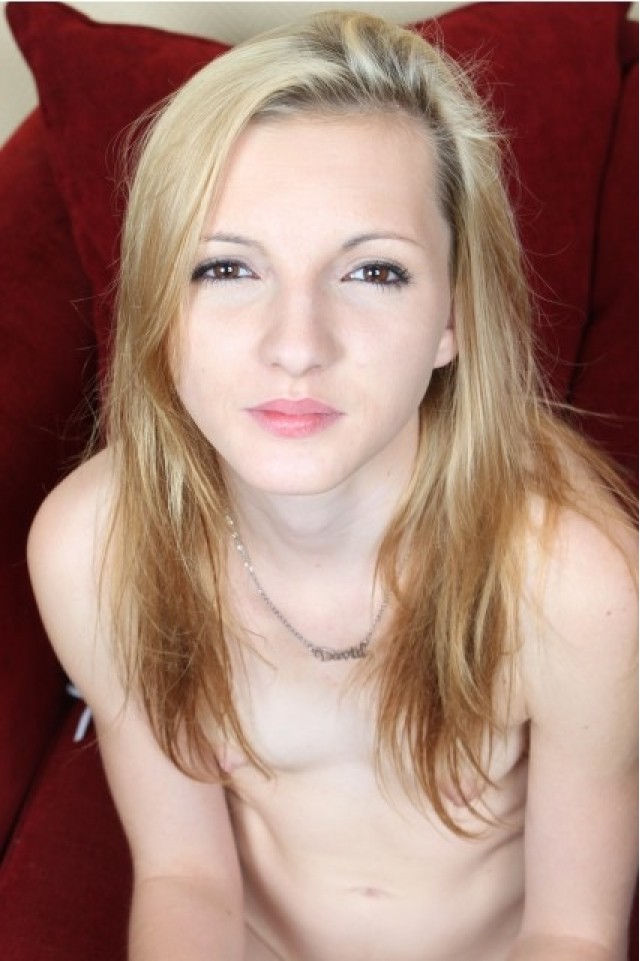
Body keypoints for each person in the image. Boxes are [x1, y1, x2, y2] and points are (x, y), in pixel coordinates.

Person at [26, 11, 637, 961]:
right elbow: (183, 872)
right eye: (227, 266)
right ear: (158, 309)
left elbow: (572, 928)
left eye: (374, 271)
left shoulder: (579, 585)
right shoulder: (90, 547)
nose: (297, 345)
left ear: (454, 316)